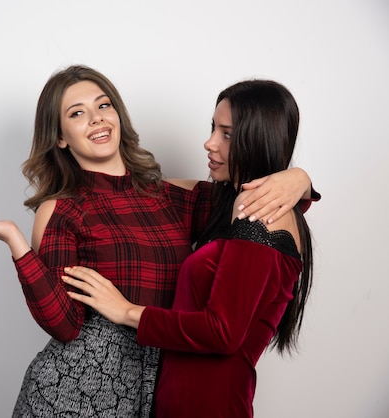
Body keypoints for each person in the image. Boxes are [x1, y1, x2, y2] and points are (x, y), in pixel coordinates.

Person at [0, 66, 315, 417]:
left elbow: (255, 204)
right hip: (77, 391)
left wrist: (298, 178)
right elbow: (65, 325)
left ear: (118, 115)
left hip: (153, 390)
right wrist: (18, 246)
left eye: (104, 105)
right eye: (76, 113)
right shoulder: (61, 209)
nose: (96, 118)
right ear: (59, 136)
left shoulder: (173, 196)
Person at [62, 79, 314, 418]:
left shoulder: (260, 214)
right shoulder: (235, 205)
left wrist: (126, 311)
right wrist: (301, 180)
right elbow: (137, 192)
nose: (209, 143)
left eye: (227, 134)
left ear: (258, 139)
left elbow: (222, 332)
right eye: (213, 128)